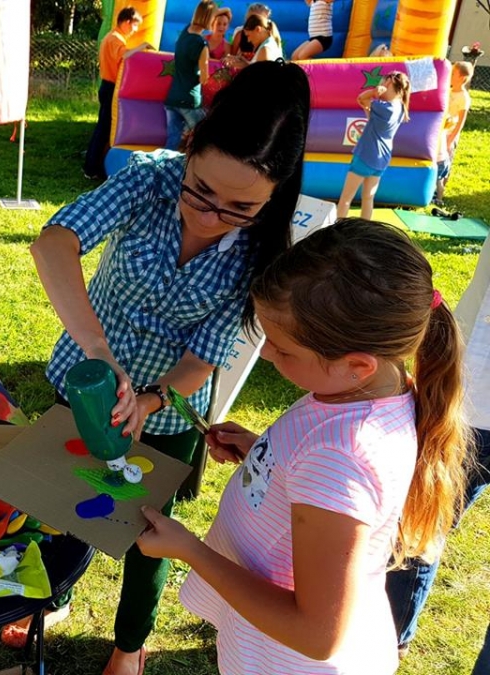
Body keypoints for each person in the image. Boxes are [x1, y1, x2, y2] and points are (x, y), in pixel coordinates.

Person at [31, 60, 311, 675]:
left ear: (274, 195)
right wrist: (100, 354)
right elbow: (54, 243)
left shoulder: (263, 253)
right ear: (191, 146)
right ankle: (54, 596)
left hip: (168, 414)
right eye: (201, 190)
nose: (209, 217)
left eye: (239, 207)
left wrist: (149, 401)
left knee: (149, 534)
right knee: (64, 497)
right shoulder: (147, 180)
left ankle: (130, 645)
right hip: (83, 379)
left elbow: (204, 356)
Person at [137, 218, 470, 675]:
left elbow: (316, 635)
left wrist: (190, 550)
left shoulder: (341, 456)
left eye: (283, 349)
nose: (266, 354)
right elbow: (326, 488)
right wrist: (264, 453)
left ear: (357, 365)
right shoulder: (369, 391)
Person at [385, 232, 490, 659]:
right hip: (473, 401)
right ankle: (389, 633)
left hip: (473, 399)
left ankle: (389, 633)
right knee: (419, 521)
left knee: (420, 522)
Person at [83, 7, 151, 180]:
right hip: (110, 86)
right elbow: (125, 55)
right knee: (104, 129)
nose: (135, 30)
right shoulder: (115, 39)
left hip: (108, 86)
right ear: (127, 22)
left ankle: (94, 166)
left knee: (104, 128)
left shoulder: (112, 37)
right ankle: (91, 168)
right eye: (135, 25)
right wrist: (142, 46)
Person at [336, 71, 410, 220]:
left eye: (383, 82)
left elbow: (361, 98)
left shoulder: (384, 107)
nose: (380, 85)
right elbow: (372, 117)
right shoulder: (400, 108)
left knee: (346, 198)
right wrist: (369, 105)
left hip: (366, 155)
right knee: (368, 197)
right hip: (382, 158)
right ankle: (366, 228)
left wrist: (374, 92)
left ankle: (338, 226)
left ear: (389, 83)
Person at [164, 1, 216, 150]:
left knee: (172, 142)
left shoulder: (185, 31)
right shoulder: (201, 45)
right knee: (206, 136)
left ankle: (160, 165)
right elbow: (204, 78)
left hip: (172, 98)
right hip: (189, 101)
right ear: (209, 19)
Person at [434, 61, 473, 205]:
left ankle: (440, 194)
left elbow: (461, 121)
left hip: (450, 133)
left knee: (445, 162)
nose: (450, 75)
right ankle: (434, 189)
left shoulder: (463, 97)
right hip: (441, 132)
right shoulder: (448, 91)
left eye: (454, 73)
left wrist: (451, 138)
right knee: (437, 160)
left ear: (462, 78)